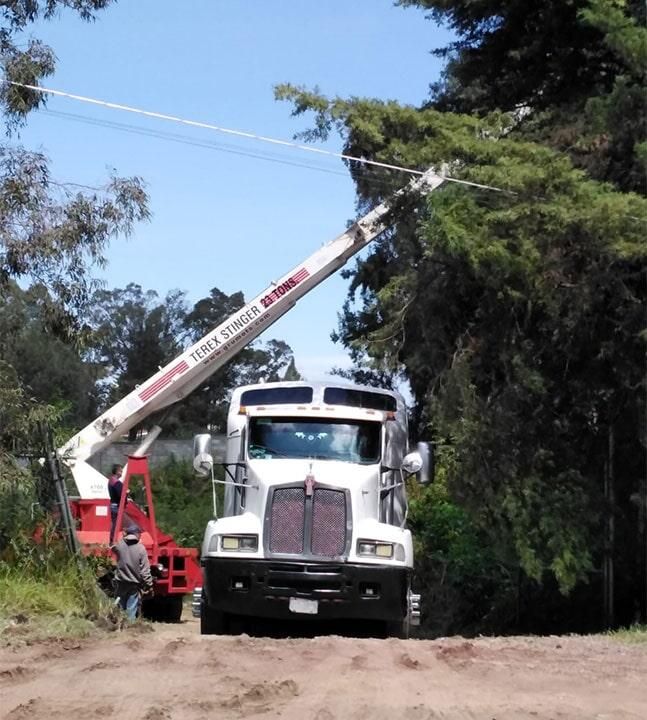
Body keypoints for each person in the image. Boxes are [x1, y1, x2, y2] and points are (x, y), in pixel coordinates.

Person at [112, 524, 153, 622]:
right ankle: (129, 629)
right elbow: (145, 571)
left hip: (120, 582)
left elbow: (112, 547)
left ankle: (118, 627)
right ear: (136, 534)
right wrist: (149, 585)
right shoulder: (141, 549)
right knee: (131, 609)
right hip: (134, 584)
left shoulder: (120, 545)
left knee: (120, 607)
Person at [108, 464, 124, 543]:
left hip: (113, 504)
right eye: (121, 471)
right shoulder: (116, 482)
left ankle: (113, 539)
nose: (122, 473)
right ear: (117, 471)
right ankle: (113, 540)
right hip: (116, 505)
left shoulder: (111, 480)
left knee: (115, 523)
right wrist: (126, 492)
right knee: (116, 524)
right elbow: (120, 494)